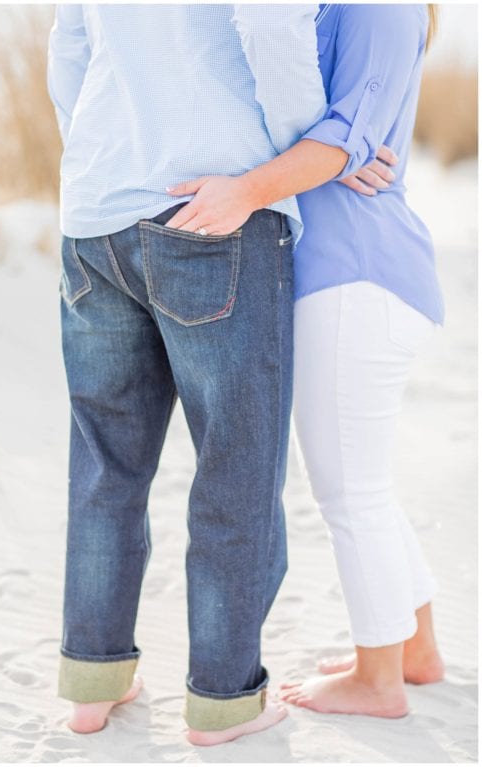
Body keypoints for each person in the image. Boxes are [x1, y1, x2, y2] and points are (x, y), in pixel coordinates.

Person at [47, 5, 331, 745]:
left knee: (106, 465)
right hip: (214, 206)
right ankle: (224, 699)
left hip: (93, 216)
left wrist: (99, 158)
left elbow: (67, 48)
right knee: (237, 465)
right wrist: (300, 148)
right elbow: (271, 24)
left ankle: (91, 682)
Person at [163, 4, 445, 719]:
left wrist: (252, 188)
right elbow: (332, 134)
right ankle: (413, 650)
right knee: (364, 482)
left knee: (350, 492)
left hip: (356, 271)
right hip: (345, 273)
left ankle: (378, 677)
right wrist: (326, 150)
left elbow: (344, 139)